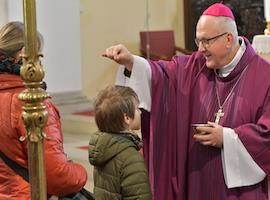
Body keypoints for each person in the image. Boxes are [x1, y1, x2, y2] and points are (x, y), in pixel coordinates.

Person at [102, 3, 270, 200]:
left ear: (228, 39)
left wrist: (227, 138)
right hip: (197, 181)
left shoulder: (264, 76)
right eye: (198, 41)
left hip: (239, 193)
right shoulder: (196, 65)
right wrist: (131, 61)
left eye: (206, 41)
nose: (201, 49)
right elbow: (162, 75)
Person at [0, 21, 87, 200]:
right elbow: (58, 177)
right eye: (38, 55)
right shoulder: (31, 101)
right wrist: (80, 172)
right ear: (23, 53)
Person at [88, 85, 152, 200]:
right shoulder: (131, 158)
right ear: (127, 118)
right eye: (137, 109)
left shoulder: (102, 148)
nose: (140, 112)